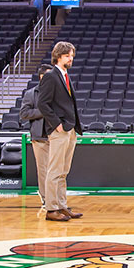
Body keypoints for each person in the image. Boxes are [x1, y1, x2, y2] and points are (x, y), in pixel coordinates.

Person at [37, 42, 84, 222]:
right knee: (54, 171)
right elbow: (43, 104)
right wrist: (56, 123)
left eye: (71, 55)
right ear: (58, 56)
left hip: (69, 128)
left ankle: (62, 206)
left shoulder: (65, 76)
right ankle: (51, 209)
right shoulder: (51, 76)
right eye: (67, 56)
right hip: (59, 130)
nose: (70, 58)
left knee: (64, 171)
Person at [19, 63, 55, 211]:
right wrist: (43, 111)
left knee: (57, 170)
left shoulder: (57, 93)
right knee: (43, 170)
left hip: (56, 135)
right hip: (39, 136)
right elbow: (24, 114)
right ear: (41, 77)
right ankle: (47, 200)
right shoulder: (30, 94)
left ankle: (57, 200)